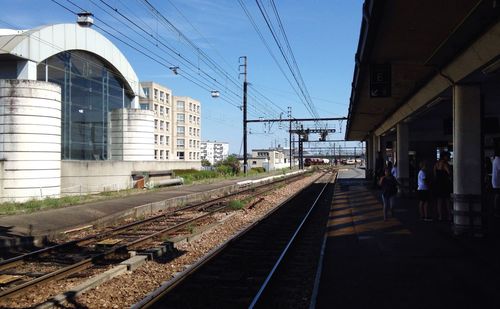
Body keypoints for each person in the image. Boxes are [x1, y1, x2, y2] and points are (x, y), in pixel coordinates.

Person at [433, 152, 452, 221]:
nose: (448, 157)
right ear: (444, 157)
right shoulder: (445, 164)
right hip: (445, 184)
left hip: (438, 184)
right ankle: (449, 216)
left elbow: (434, 175)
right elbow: (449, 173)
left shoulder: (436, 164)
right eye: (448, 156)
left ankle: (440, 216)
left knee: (439, 201)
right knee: (447, 201)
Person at [492, 150, 500, 216]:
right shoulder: (498, 160)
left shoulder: (495, 160)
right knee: (497, 195)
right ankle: (496, 210)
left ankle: (495, 210)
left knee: (496, 195)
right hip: (497, 182)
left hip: (495, 182)